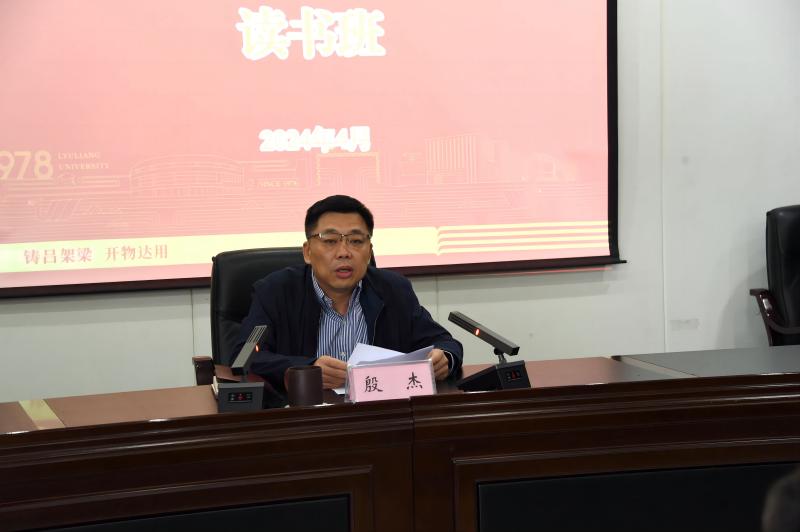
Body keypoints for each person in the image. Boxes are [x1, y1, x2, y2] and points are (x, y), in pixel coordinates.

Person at [234, 195, 463, 392]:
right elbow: (245, 355)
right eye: (330, 241)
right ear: (307, 252)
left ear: (369, 251)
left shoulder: (394, 290)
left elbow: (444, 343)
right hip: (304, 416)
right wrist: (306, 369)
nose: (344, 252)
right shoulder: (276, 291)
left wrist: (444, 357)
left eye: (356, 241)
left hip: (381, 414)